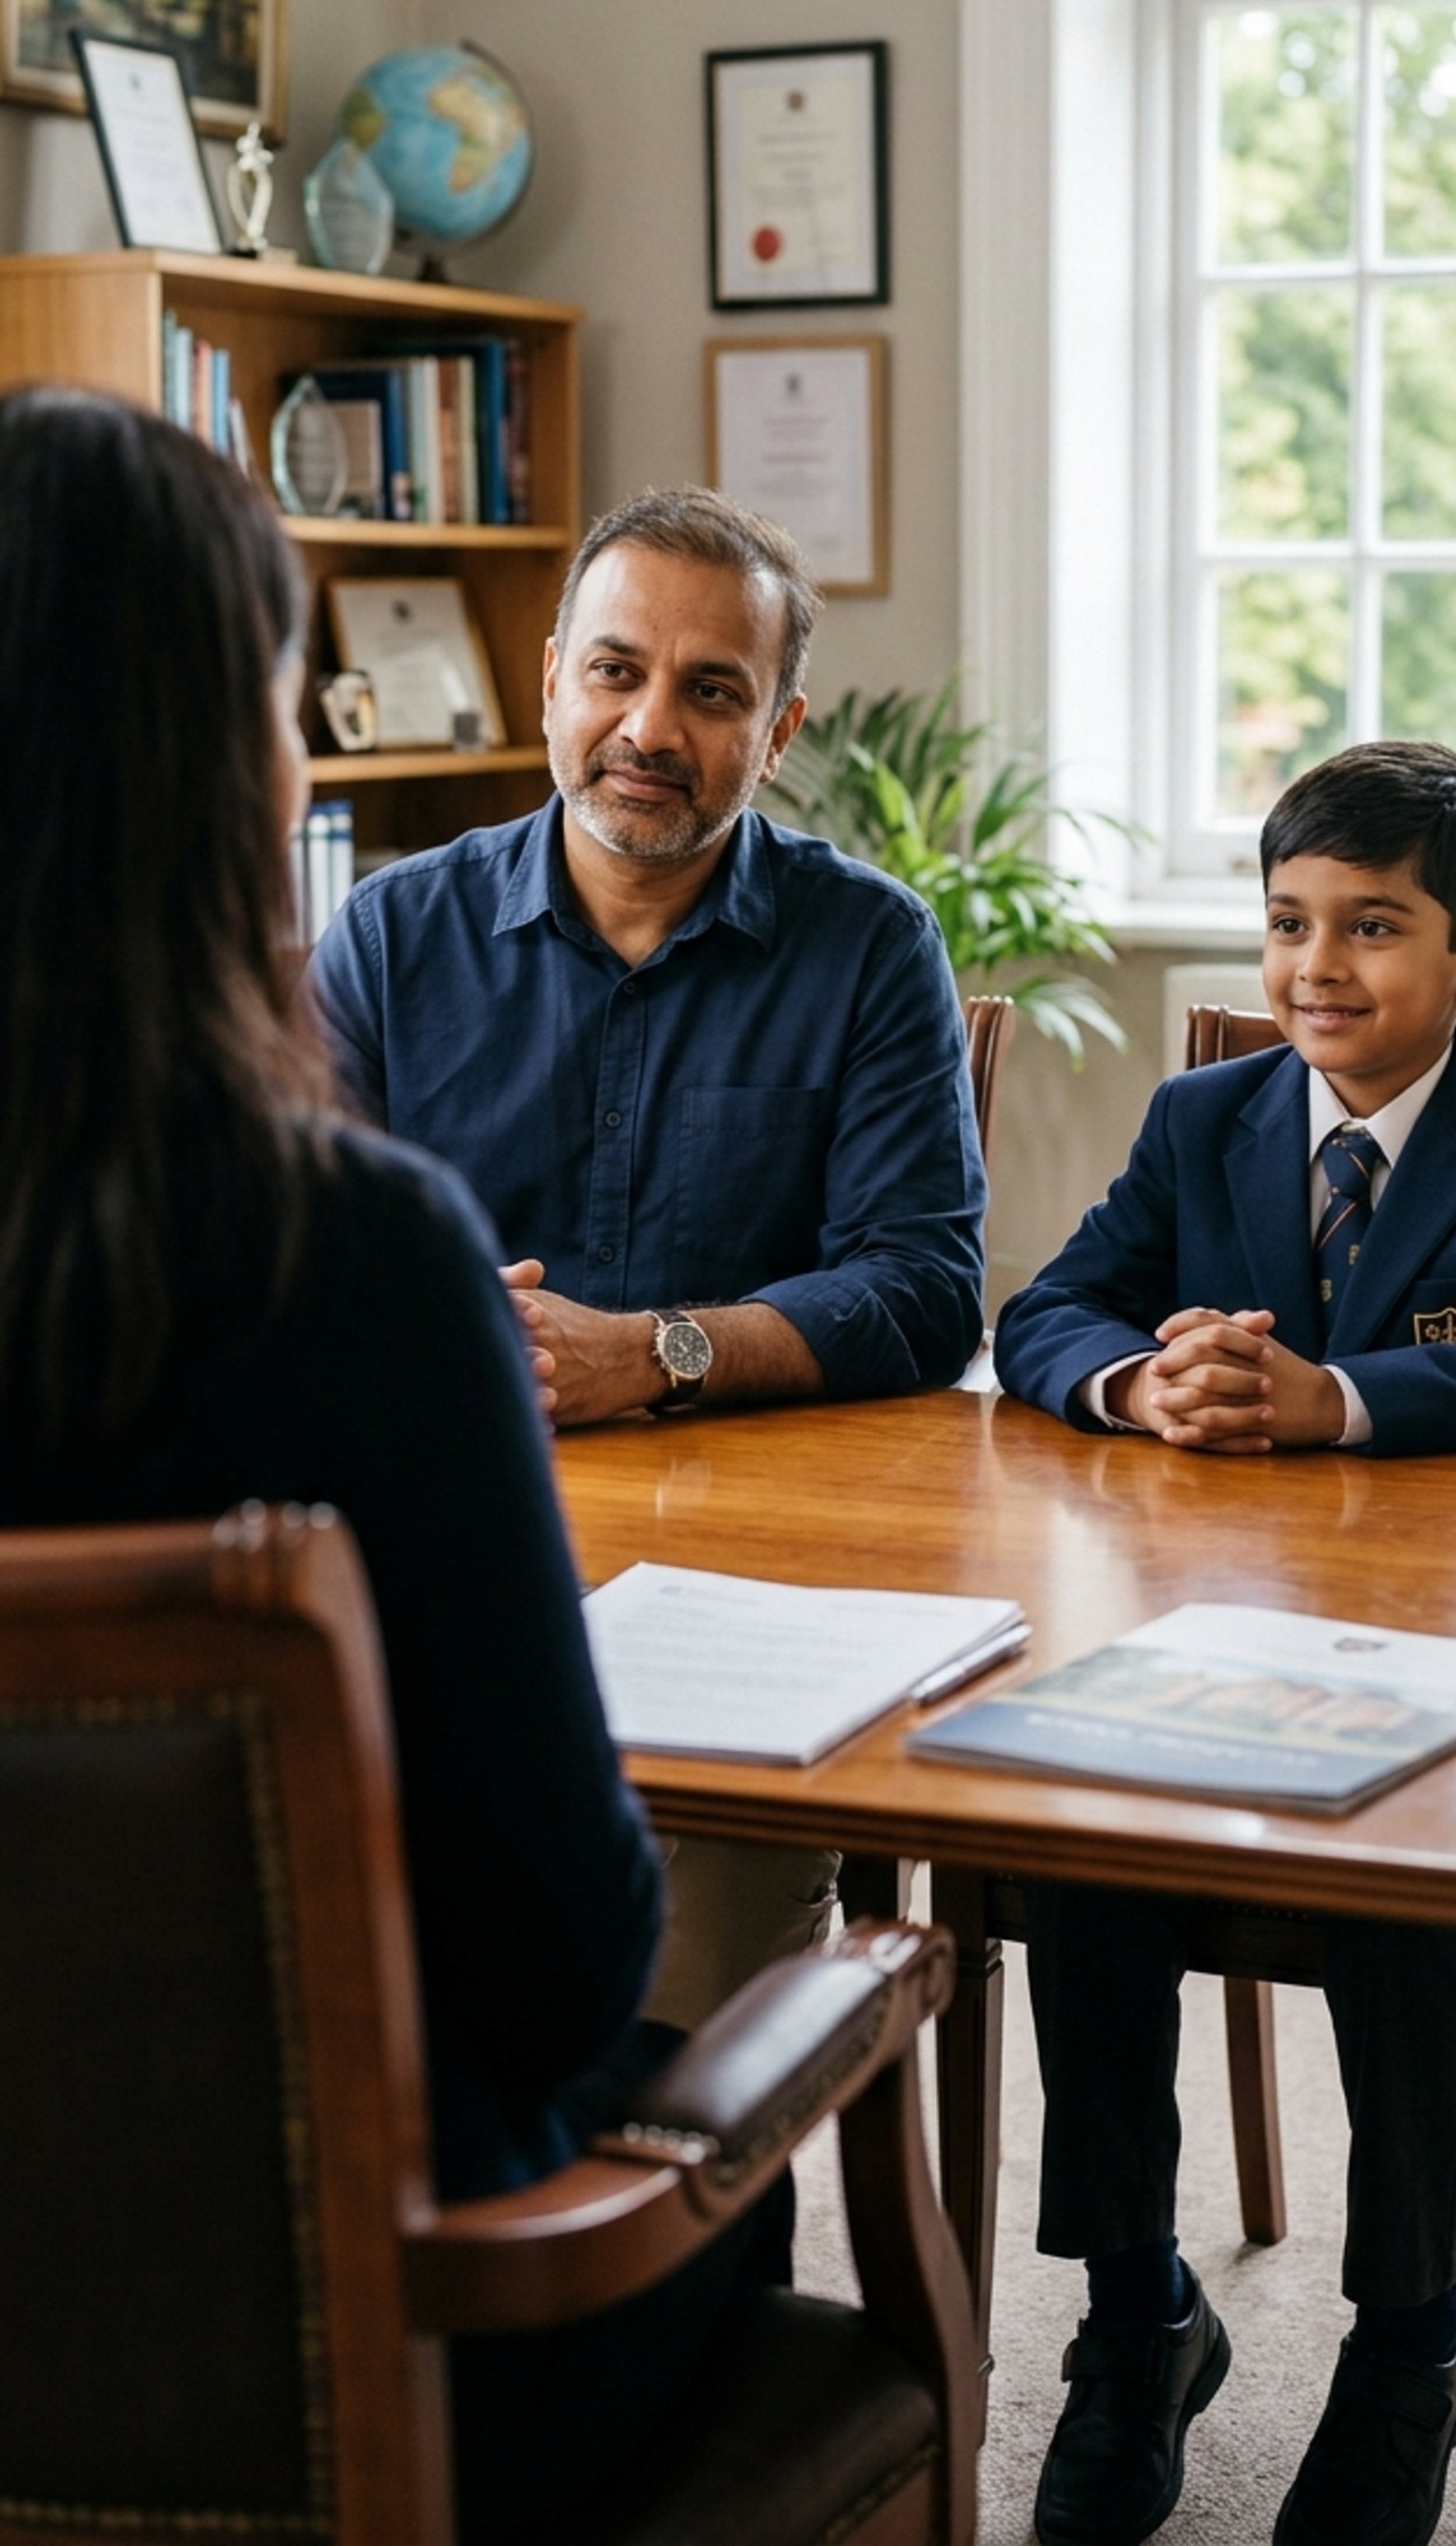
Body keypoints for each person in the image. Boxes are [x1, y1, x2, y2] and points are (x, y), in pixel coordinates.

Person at [0, 389, 781, 2541]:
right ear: (228, 770)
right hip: (369, 2349)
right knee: (754, 2150)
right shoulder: (343, 1255)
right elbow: (558, 1951)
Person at [995, 741, 1456, 2546]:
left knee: (1409, 1875)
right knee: (1077, 1837)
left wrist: (1342, 1399)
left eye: (1375, 927)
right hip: (1200, 1647)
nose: (1318, 968)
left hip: (1448, 1664)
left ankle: (1409, 2342)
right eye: (1291, 922)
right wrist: (1139, 1381)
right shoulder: (1201, 1120)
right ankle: (1136, 2315)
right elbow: (1041, 1311)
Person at [309, 483, 986, 2016]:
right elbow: (286, 1271)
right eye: (616, 671)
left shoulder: (871, 947)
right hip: (450, 1550)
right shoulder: (387, 938)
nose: (650, 727)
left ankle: (681, 2234)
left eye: (712, 690)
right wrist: (428, 1323)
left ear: (782, 728)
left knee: (669, 2022)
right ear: (551, 675)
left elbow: (927, 1287)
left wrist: (658, 1353)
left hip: (763, 1596)